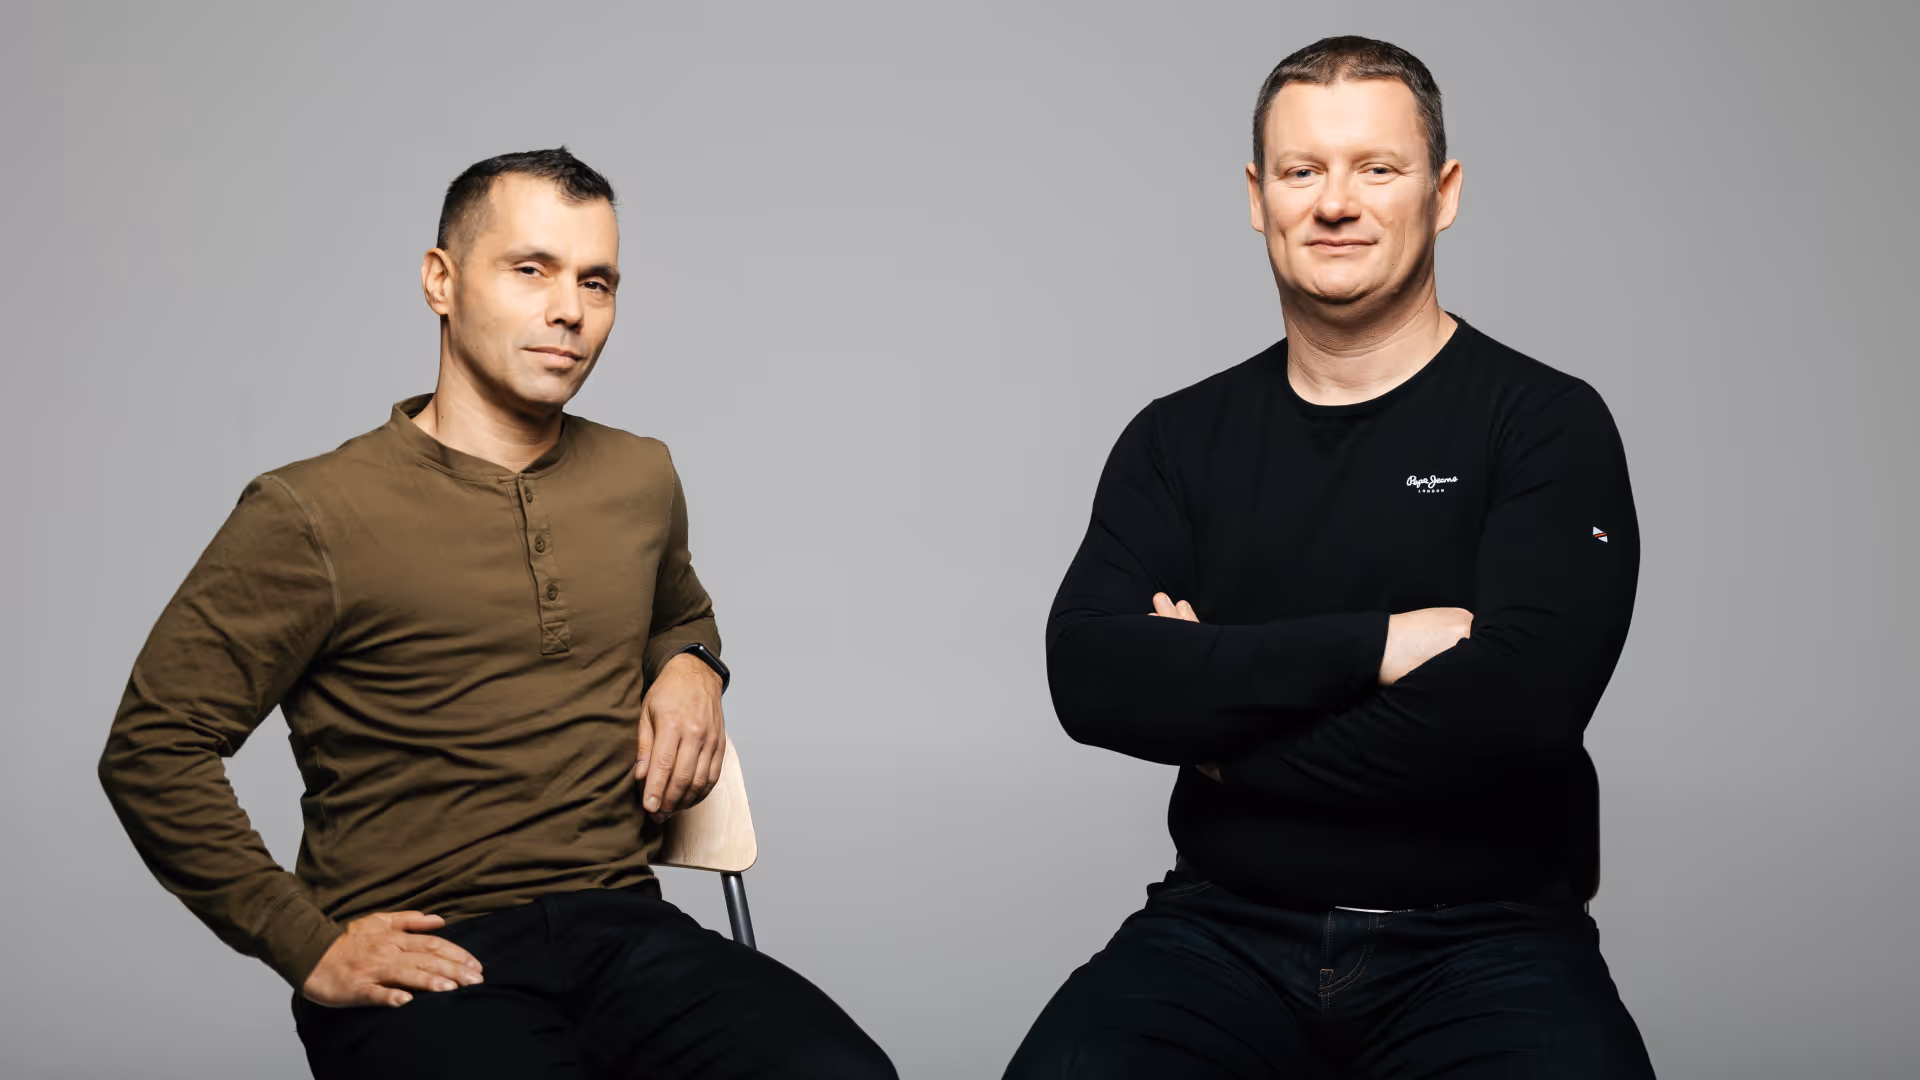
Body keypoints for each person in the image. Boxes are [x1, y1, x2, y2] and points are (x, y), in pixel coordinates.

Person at [99, 148, 896, 1080]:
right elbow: (153, 746)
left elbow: (677, 610)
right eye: (531, 269)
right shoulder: (309, 512)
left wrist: (692, 666)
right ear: (441, 281)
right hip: (431, 956)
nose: (570, 310)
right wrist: (304, 942)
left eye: (596, 281)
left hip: (625, 925)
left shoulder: (640, 475)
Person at [1005, 37, 1656, 1079]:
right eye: (1302, 172)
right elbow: (1089, 674)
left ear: (1442, 194)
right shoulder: (1177, 439)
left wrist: (1218, 728)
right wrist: (1380, 645)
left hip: (1487, 942)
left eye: (1377, 169)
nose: (1335, 203)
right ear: (1258, 199)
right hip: (1221, 933)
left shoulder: (1544, 425)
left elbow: (1512, 715)